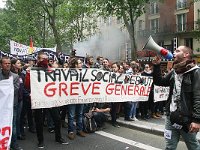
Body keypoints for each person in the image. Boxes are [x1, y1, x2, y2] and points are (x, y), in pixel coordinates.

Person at [152, 46, 200, 150]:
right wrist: (156, 66)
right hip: (171, 117)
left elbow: (198, 97)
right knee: (169, 146)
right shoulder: (174, 71)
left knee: (193, 146)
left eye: (177, 51)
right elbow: (160, 82)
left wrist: (196, 120)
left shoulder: (195, 72)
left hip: (187, 119)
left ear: (186, 54)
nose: (173, 52)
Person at [24, 52, 68, 148]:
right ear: (38, 59)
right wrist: (28, 74)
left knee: (57, 119)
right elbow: (27, 85)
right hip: (39, 99)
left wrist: (62, 72)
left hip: (50, 99)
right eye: (42, 59)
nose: (44, 61)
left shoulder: (51, 70)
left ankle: (58, 137)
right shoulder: (32, 71)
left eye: (46, 59)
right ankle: (40, 140)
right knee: (39, 121)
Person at [0, 57, 23, 150]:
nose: (8, 65)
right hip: (1, 106)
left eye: (9, 63)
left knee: (12, 124)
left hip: (12, 105)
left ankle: (14, 144)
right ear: (1, 65)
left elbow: (15, 90)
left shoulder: (15, 76)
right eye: (5, 63)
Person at [67, 58, 87, 140]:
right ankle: (71, 131)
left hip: (81, 96)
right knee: (71, 115)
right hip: (72, 96)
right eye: (79, 63)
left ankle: (79, 130)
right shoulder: (69, 73)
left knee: (80, 114)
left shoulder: (84, 73)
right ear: (75, 65)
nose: (81, 64)